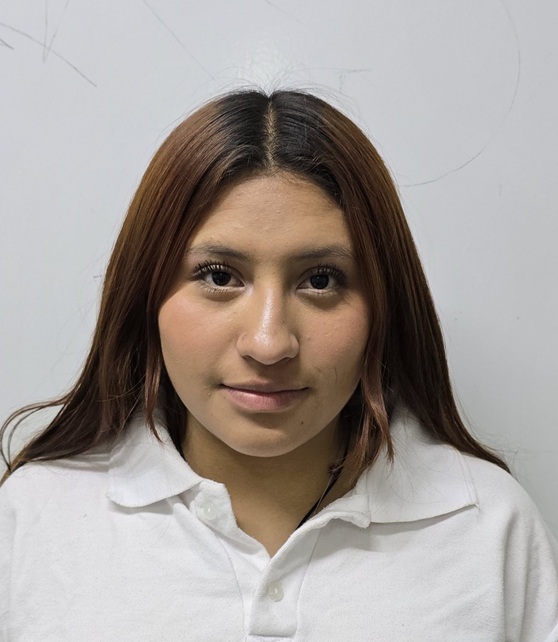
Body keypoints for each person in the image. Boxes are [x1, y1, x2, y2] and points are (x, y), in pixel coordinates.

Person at [0, 89, 557, 641]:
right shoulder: (31, 520)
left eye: (320, 280)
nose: (269, 344)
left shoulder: (488, 527)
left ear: (384, 306)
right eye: (219, 276)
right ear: (144, 294)